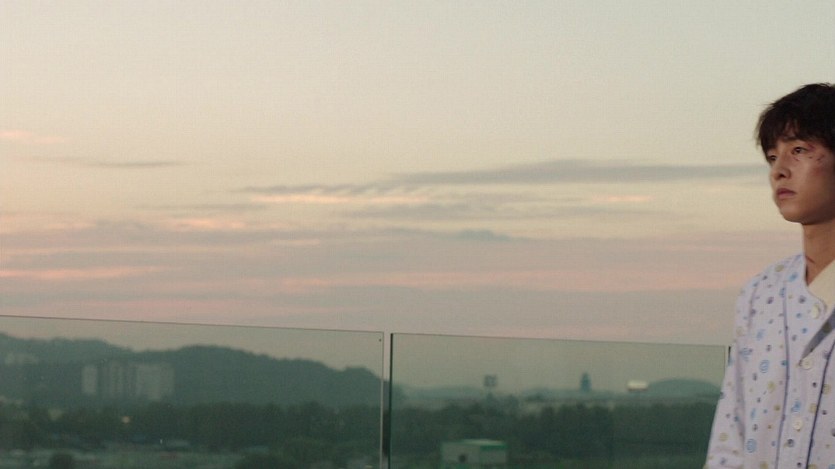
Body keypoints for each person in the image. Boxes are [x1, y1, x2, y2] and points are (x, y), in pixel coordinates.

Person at [705, 82, 835, 468]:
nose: (779, 171)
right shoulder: (761, 293)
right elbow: (732, 431)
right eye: (772, 156)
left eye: (799, 150)